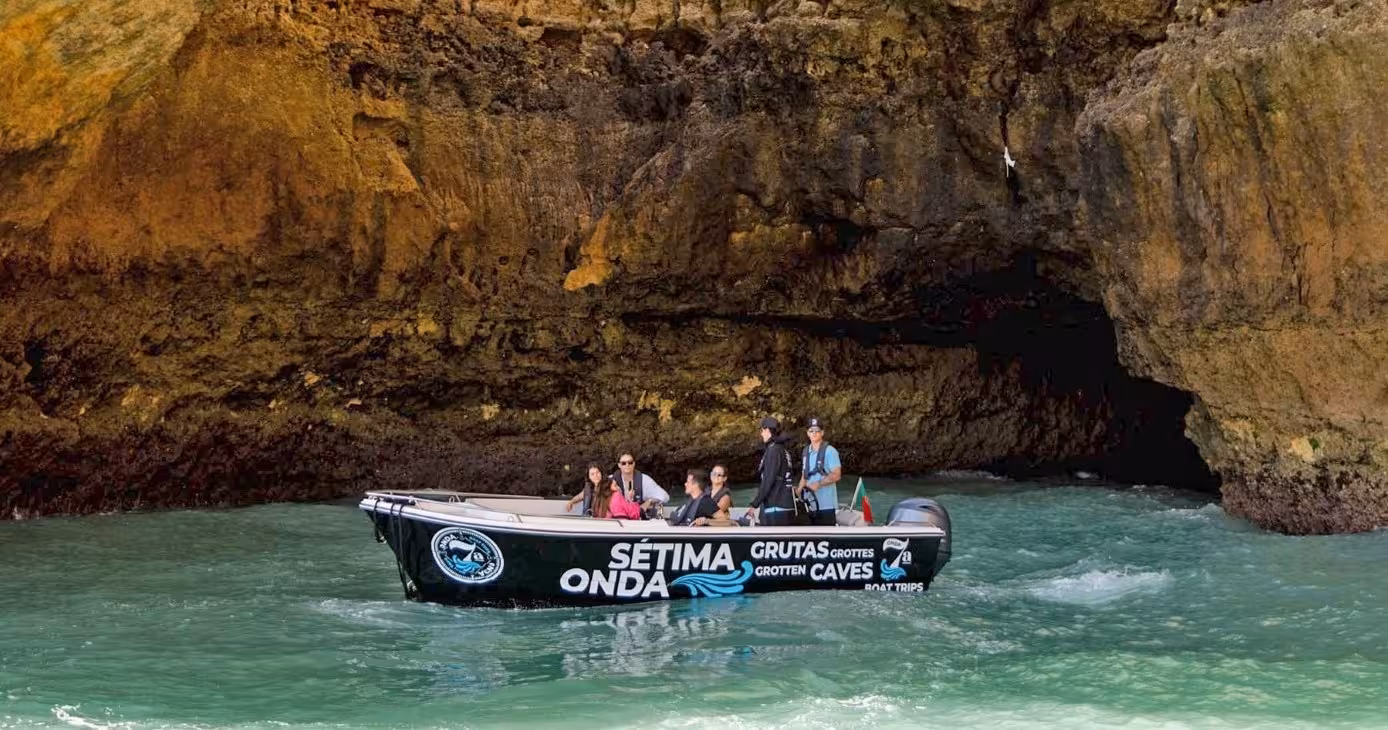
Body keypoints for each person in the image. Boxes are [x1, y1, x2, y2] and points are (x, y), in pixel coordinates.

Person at [749, 416, 795, 526]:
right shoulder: (782, 449)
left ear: (767, 430)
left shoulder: (773, 450)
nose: (761, 434)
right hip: (786, 504)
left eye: (762, 430)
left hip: (775, 506)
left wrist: (754, 504)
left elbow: (768, 480)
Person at [799, 417, 842, 526]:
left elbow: (837, 475)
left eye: (817, 430)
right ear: (807, 433)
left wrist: (818, 484)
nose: (814, 433)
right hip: (809, 505)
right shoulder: (805, 452)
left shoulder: (830, 451)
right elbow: (804, 475)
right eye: (811, 430)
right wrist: (798, 492)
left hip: (826, 507)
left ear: (822, 433)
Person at [610, 452, 670, 519]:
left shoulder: (644, 480)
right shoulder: (610, 480)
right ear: (619, 465)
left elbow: (665, 497)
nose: (627, 465)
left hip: (638, 520)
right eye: (623, 463)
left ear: (634, 464)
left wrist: (649, 501)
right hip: (616, 521)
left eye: (630, 462)